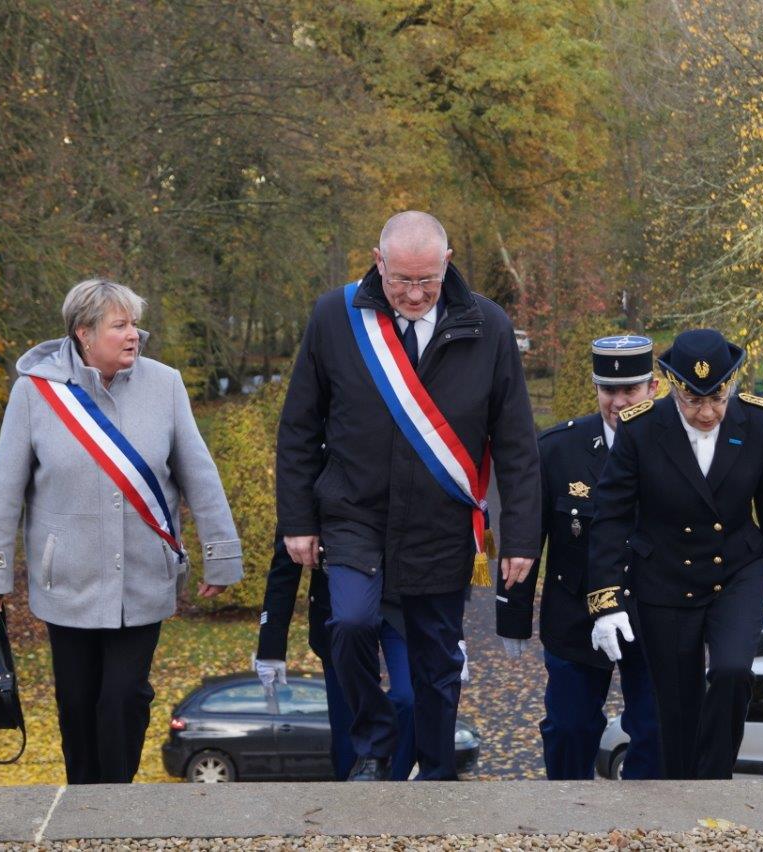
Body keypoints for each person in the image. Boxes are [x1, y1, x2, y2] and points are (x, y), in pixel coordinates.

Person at [276, 211, 540, 781]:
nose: (415, 294)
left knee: (436, 666)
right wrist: (297, 520)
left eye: (427, 280)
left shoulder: (487, 325)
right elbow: (299, 426)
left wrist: (519, 536)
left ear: (447, 263)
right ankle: (373, 741)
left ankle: (438, 771)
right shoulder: (334, 317)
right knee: (346, 623)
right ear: (378, 262)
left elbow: (517, 441)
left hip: (441, 523)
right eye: (402, 281)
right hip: (353, 513)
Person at [0, 278, 242, 784]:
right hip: (66, 583)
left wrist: (221, 554)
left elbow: (200, 476)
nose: (134, 335)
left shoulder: (166, 384)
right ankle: (83, 802)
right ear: (84, 334)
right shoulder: (35, 392)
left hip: (143, 579)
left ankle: (115, 799)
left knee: (123, 696)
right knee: (76, 701)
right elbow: (3, 489)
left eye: (135, 323)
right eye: (120, 326)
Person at [586, 329, 763, 780]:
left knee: (730, 672)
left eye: (717, 399)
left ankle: (716, 781)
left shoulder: (757, 421)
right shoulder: (642, 427)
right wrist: (605, 600)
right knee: (678, 705)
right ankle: (686, 795)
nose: (707, 413)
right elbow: (611, 516)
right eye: (693, 402)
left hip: (736, 571)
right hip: (665, 575)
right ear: (671, 387)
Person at [497, 334, 662, 780]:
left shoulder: (676, 448)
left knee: (654, 732)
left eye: (630, 389)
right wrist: (512, 617)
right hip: (575, 614)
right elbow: (526, 537)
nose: (618, 401)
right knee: (569, 729)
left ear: (653, 389)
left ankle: (643, 823)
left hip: (651, 613)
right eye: (609, 390)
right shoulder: (558, 450)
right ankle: (568, 820)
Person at [255, 533, 416, 780]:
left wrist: (452, 635)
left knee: (409, 698)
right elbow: (287, 559)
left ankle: (395, 783)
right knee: (346, 728)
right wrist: (271, 643)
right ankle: (349, 796)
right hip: (338, 609)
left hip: (398, 602)